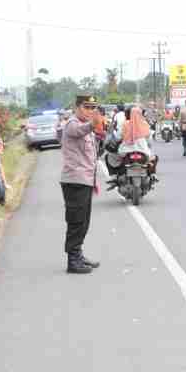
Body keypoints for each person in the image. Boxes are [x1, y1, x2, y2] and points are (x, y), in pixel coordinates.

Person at [60, 95, 104, 274]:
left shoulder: (87, 127)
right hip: (74, 181)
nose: (90, 110)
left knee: (84, 222)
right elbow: (79, 131)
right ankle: (72, 260)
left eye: (93, 107)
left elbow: (91, 156)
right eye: (87, 107)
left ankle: (78, 254)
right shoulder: (72, 124)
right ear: (77, 107)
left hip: (85, 180)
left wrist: (93, 181)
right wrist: (93, 123)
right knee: (76, 221)